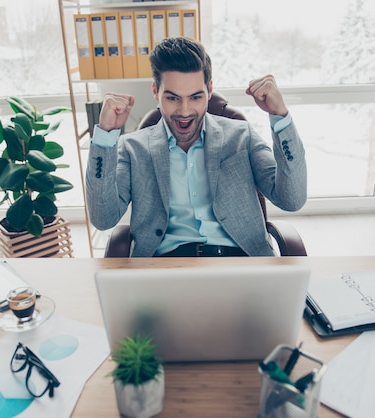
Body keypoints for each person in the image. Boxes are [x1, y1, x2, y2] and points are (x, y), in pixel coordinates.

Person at [86, 36, 307, 257]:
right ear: (155, 91)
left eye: (195, 97)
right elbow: (103, 219)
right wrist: (105, 136)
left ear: (209, 90)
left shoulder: (242, 135)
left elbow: (292, 199)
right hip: (164, 268)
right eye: (172, 98)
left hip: (241, 261)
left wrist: (280, 116)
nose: (184, 111)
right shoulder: (133, 147)